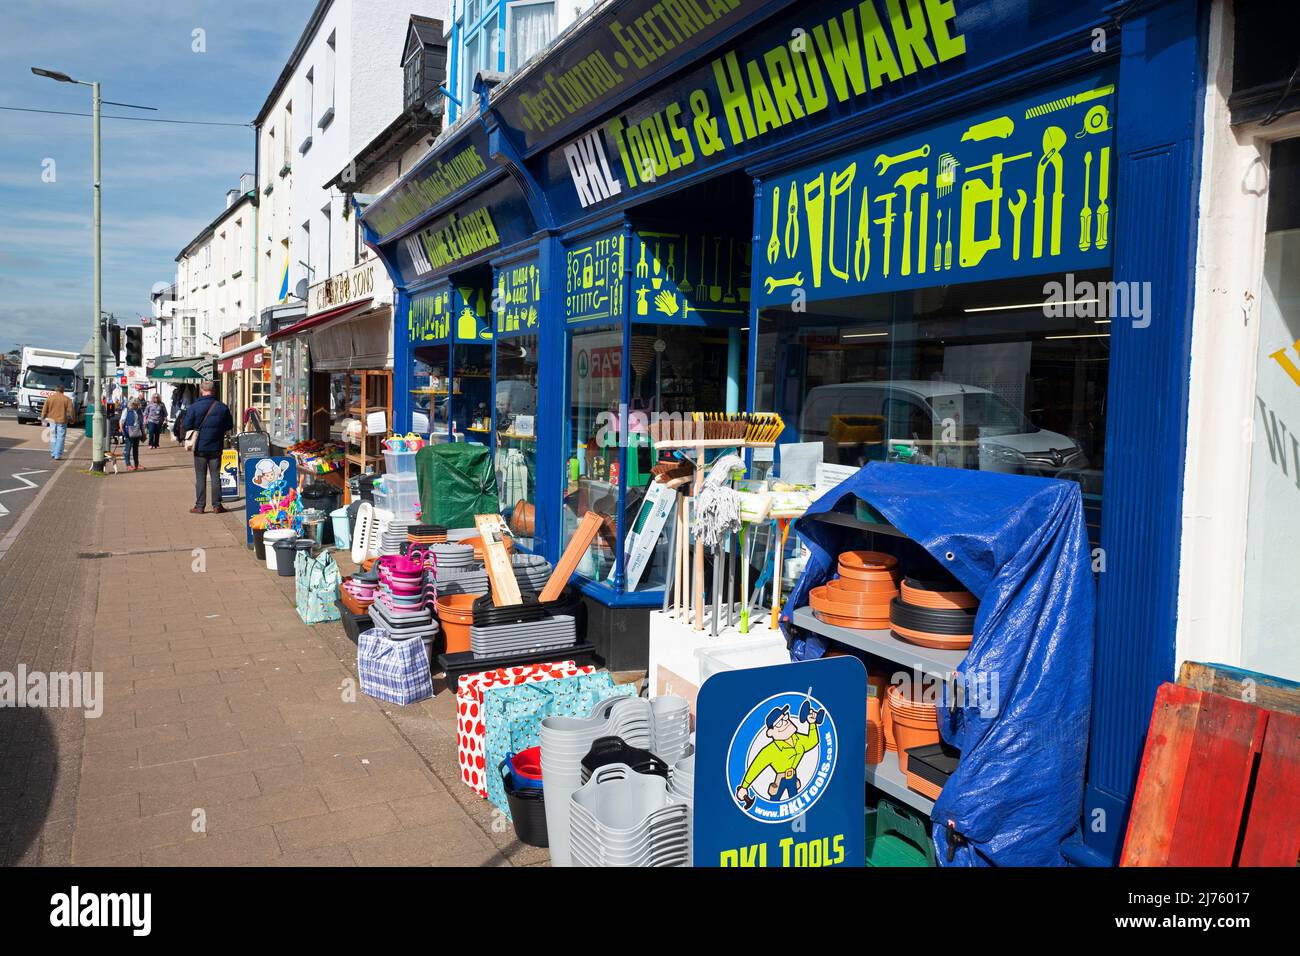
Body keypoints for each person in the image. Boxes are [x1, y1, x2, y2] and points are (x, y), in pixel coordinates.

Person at [179, 383, 234, 514]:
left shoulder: (194, 407)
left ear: (201, 390)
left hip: (199, 447)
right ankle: (217, 505)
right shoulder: (222, 407)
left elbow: (186, 425)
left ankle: (199, 506)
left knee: (200, 477)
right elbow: (229, 425)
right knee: (215, 476)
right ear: (213, 390)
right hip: (216, 446)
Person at [40, 385, 77, 461]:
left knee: (53, 436)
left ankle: (53, 453)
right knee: (61, 437)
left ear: (55, 390)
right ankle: (57, 454)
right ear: (63, 391)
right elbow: (71, 411)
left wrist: (42, 418)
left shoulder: (49, 398)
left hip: (52, 420)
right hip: (62, 420)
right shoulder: (67, 399)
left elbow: (44, 409)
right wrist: (73, 419)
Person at [119, 399, 146, 471]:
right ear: (132, 404)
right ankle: (128, 465)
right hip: (129, 431)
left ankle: (137, 464)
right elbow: (121, 421)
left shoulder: (139, 410)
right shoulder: (126, 410)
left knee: (136, 449)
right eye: (135, 405)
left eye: (137, 405)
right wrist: (121, 429)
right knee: (128, 448)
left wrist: (143, 432)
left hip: (137, 431)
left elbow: (141, 422)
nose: (137, 406)